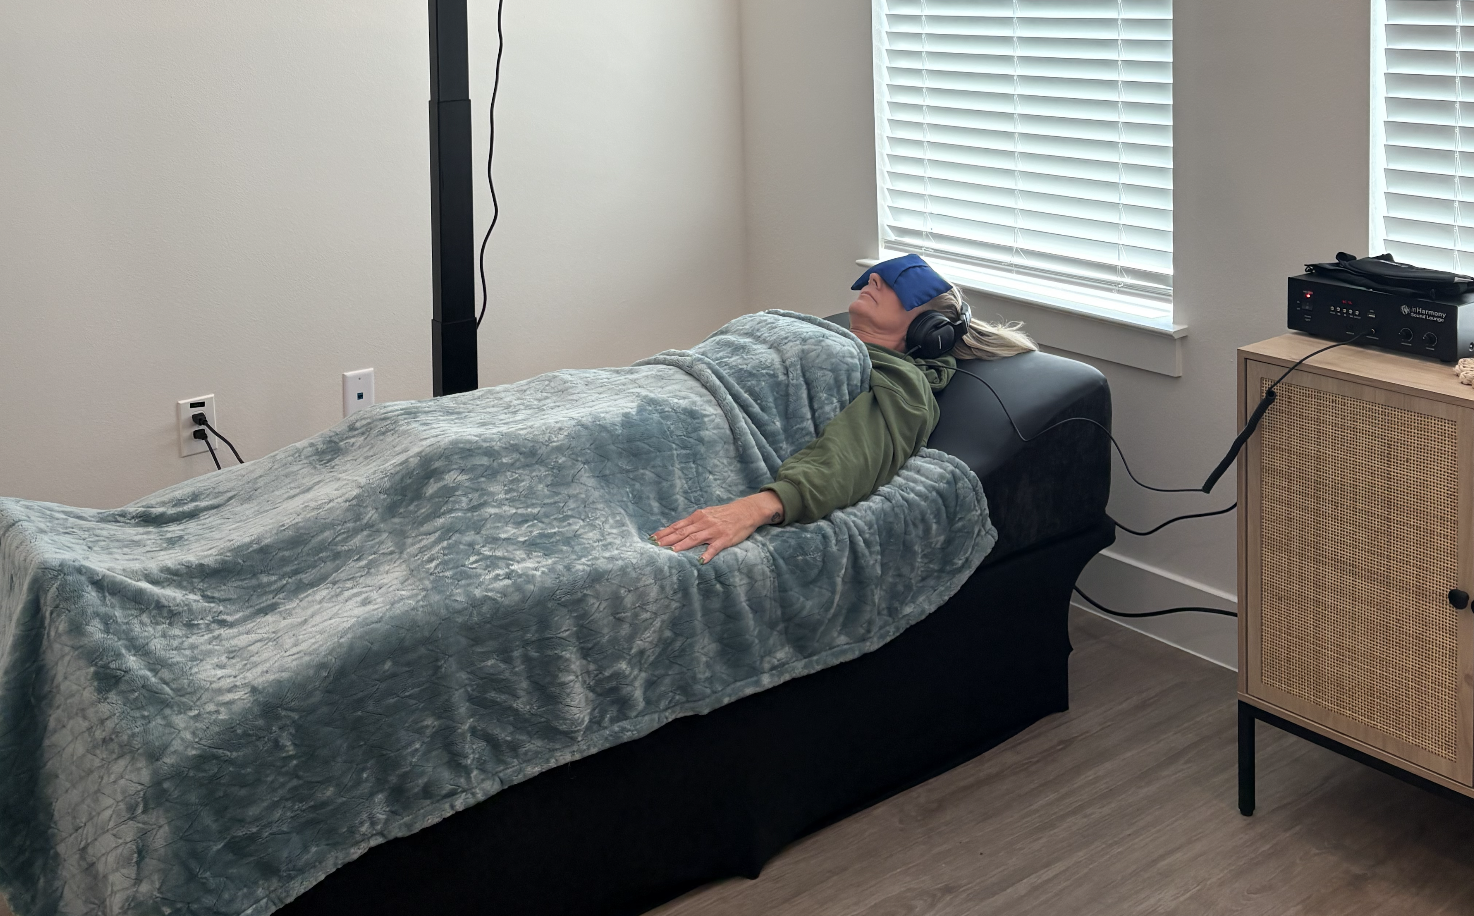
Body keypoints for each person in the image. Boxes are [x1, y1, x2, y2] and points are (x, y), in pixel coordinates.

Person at [651, 254, 1036, 562]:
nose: (874, 278)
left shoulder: (903, 383)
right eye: (876, 275)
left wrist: (761, 505)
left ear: (929, 328)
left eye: (900, 284)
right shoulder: (821, 332)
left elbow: (856, 451)